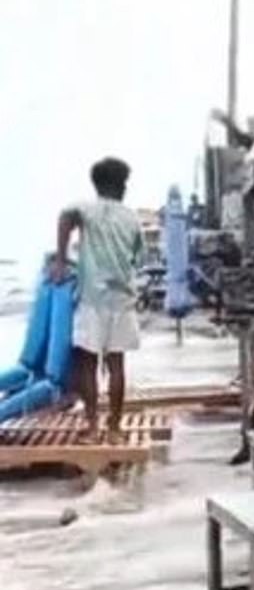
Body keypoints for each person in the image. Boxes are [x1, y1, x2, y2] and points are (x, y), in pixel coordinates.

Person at [51, 157, 143, 444]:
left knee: (87, 364)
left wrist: (62, 260)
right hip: (122, 300)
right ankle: (114, 429)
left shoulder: (86, 209)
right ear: (121, 185)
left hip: (92, 298)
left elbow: (65, 217)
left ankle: (93, 427)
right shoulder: (132, 217)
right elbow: (136, 257)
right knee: (116, 365)